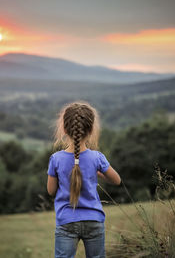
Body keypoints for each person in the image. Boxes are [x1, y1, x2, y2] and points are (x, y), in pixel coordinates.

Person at [47, 101, 121, 258]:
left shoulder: (56, 159)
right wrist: (97, 173)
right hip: (93, 220)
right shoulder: (97, 158)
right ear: (91, 129)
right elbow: (116, 180)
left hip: (66, 221)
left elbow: (51, 190)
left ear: (65, 129)